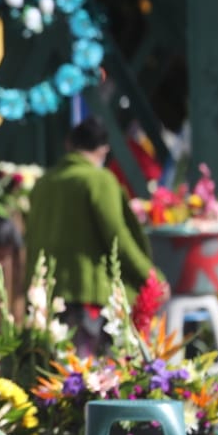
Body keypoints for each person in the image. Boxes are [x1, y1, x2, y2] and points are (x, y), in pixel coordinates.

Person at [24, 116, 159, 355]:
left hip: (46, 300)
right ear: (104, 149)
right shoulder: (99, 180)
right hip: (89, 300)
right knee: (89, 380)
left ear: (69, 144)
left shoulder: (44, 182)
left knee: (53, 379)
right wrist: (150, 276)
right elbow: (118, 238)